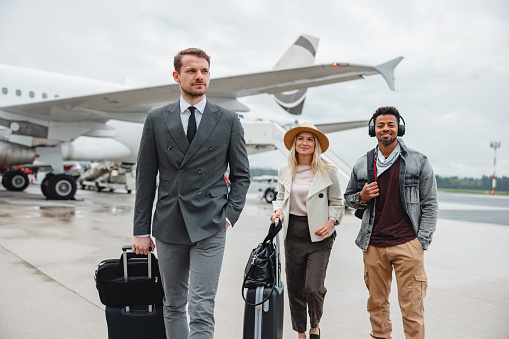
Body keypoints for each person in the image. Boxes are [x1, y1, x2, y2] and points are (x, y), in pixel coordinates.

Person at [132, 48, 250, 339]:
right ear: (177, 76)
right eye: (192, 71)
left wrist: (229, 216)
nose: (199, 77)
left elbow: (242, 174)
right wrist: (140, 231)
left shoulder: (227, 120)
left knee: (201, 306)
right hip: (168, 223)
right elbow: (145, 177)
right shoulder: (157, 118)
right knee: (172, 304)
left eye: (205, 71)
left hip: (210, 224)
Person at [344, 106, 438, 339]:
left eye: (391, 125)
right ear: (373, 130)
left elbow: (430, 204)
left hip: (407, 244)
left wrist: (421, 242)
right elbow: (348, 200)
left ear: (399, 128)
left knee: (412, 307)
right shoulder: (361, 164)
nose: (385, 129)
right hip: (373, 245)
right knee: (376, 306)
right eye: (380, 125)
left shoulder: (419, 161)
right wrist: (361, 197)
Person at [270, 122, 344, 339]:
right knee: (295, 288)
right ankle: (301, 332)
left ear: (316, 145)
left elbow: (337, 203)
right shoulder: (285, 170)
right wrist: (277, 211)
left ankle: (315, 325)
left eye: (310, 139)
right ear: (295, 144)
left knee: (313, 288)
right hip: (293, 233)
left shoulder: (328, 171)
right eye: (300, 139)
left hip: (319, 236)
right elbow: (281, 198)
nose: (304, 143)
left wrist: (331, 223)